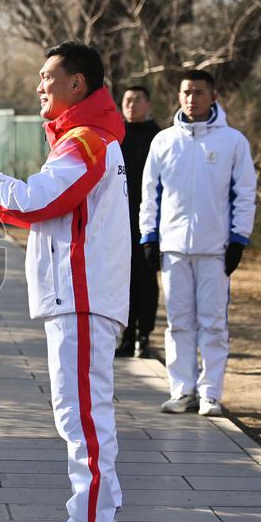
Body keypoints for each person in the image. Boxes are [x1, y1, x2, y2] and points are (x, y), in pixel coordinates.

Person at [0, 41, 128, 522]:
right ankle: (101, 518)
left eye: (48, 77)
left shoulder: (85, 142)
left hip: (82, 298)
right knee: (85, 414)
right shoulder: (86, 140)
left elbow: (35, 200)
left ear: (78, 83)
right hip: (78, 297)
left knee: (81, 417)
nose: (40, 86)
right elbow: (38, 210)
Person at [139, 69, 256, 417]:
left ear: (214, 96)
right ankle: (182, 390)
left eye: (199, 92)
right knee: (178, 322)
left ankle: (211, 394)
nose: (192, 99)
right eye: (186, 92)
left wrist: (238, 240)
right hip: (173, 249)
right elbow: (149, 193)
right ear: (179, 96)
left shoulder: (233, 141)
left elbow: (245, 194)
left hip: (215, 249)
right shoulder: (163, 141)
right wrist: (149, 236)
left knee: (213, 323)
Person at [116, 85, 161, 358]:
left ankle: (144, 336)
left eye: (137, 100)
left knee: (146, 279)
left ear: (149, 104)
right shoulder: (114, 137)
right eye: (127, 100)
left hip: (149, 221)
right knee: (122, 279)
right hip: (118, 221)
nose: (131, 105)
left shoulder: (159, 138)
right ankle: (126, 334)